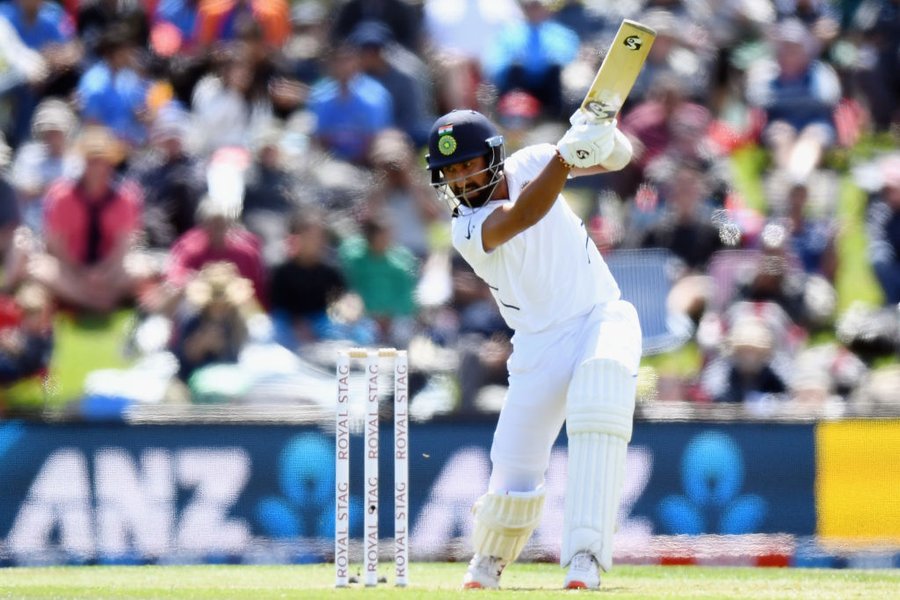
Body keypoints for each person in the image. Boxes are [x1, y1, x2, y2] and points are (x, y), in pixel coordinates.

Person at [424, 108, 640, 589]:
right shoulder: (466, 229)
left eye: (468, 165)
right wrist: (565, 156)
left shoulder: (536, 160)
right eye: (451, 172)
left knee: (600, 395)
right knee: (514, 468)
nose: (462, 180)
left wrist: (599, 131)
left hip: (599, 315)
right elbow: (522, 215)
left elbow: (620, 160)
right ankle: (490, 559)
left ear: (493, 157)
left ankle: (585, 558)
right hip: (538, 344)